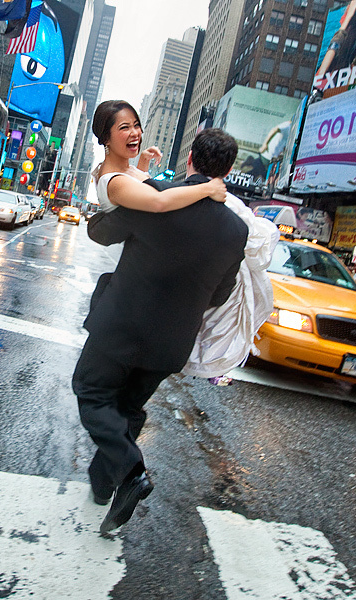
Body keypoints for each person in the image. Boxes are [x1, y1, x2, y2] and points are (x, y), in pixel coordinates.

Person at [74, 126, 248, 534]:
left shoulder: (157, 198)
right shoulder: (236, 230)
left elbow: (100, 232)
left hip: (121, 322)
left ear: (190, 159)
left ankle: (131, 473)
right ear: (229, 169)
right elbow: (222, 292)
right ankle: (104, 485)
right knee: (129, 409)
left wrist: (127, 184)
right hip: (172, 340)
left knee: (92, 391)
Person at [89, 101, 227, 214]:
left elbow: (137, 190)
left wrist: (143, 162)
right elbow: (158, 202)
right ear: (106, 138)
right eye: (125, 127)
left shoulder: (124, 171)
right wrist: (209, 188)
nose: (135, 133)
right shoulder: (114, 182)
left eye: (136, 125)